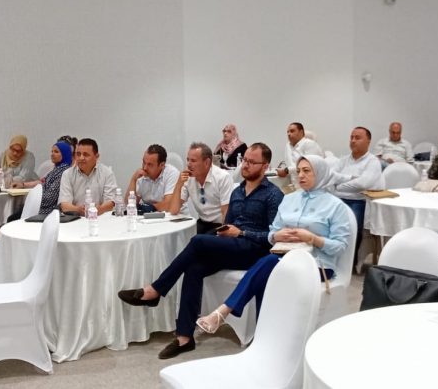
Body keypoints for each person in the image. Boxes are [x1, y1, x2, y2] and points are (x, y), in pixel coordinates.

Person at [117, 143, 283, 359]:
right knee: (194, 267)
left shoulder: (273, 194)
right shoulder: (238, 191)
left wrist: (242, 233)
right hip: (233, 245)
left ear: (265, 166)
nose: (246, 165)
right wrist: (226, 232)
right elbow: (228, 222)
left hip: (256, 251)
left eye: (252, 162)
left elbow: (274, 236)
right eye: (245, 160)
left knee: (197, 241)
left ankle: (155, 290)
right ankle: (184, 337)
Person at [195, 155, 352, 334]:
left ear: (321, 173)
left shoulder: (335, 206)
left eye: (307, 171)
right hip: (285, 257)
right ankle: (263, 335)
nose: (300, 175)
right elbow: (272, 233)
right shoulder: (290, 199)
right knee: (267, 271)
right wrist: (279, 235)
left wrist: (312, 238)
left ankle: (225, 312)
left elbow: (340, 246)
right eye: (298, 171)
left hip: (317, 265)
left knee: (268, 265)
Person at [328, 127, 384, 269]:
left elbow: (363, 183)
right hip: (338, 200)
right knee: (326, 224)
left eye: (357, 138)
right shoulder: (344, 160)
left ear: (368, 141)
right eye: (351, 137)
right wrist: (351, 179)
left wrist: (339, 186)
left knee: (352, 229)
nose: (353, 141)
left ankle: (348, 263)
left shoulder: (372, 161)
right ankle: (331, 259)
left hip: (358, 201)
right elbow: (331, 177)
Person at [169, 142, 234, 234]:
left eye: (193, 161)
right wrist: (178, 185)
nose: (189, 164)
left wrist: (222, 235)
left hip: (219, 225)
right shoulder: (188, 178)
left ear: (207, 162)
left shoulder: (222, 177)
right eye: (188, 160)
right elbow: (173, 210)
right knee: (181, 235)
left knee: (198, 240)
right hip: (202, 223)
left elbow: (226, 213)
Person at [8, 141, 73, 220]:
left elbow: (49, 198)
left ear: (65, 154)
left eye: (56, 152)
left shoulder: (64, 172)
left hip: (48, 212)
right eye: (52, 151)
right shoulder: (57, 169)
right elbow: (43, 182)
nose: (52, 154)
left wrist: (31, 198)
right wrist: (23, 185)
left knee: (13, 218)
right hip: (42, 208)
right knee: (17, 213)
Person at [58, 138, 118, 216]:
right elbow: (64, 205)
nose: (81, 158)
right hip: (76, 218)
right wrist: (79, 210)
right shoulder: (67, 174)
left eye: (86, 154)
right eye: (78, 154)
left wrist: (96, 210)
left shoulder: (107, 173)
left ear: (97, 156)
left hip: (100, 217)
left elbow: (110, 202)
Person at [126, 144, 181, 213]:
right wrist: (133, 180)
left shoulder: (172, 173)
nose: (145, 168)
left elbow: (168, 204)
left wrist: (148, 208)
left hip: (176, 217)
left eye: (150, 164)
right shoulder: (141, 175)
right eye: (144, 162)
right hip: (152, 217)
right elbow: (129, 204)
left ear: (162, 165)